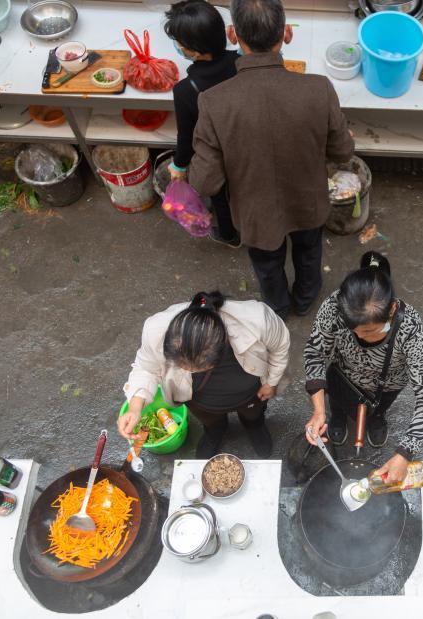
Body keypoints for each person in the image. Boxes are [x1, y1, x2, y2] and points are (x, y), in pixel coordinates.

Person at [189, 0, 355, 320]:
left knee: (267, 265)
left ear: (232, 35)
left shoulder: (213, 102)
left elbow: (206, 182)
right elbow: (343, 151)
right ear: (287, 33)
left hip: (256, 215)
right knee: (309, 253)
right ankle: (305, 299)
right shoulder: (319, 89)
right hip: (308, 204)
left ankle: (277, 308)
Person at [303, 252, 423, 483]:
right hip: (342, 375)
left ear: (392, 310)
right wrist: (319, 411)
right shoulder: (334, 308)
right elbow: (315, 353)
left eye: (369, 331)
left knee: (378, 408)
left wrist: (405, 453)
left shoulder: (410, 328)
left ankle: (377, 418)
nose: (360, 337)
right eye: (354, 330)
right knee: (337, 402)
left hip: (386, 385)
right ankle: (337, 416)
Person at [118, 291, 290, 459]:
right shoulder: (155, 329)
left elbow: (280, 347)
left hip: (251, 394)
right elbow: (146, 367)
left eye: (197, 367)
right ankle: (214, 431)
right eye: (181, 364)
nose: (188, 370)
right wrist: (135, 407)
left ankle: (254, 426)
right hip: (200, 402)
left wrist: (271, 382)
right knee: (210, 421)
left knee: (253, 414)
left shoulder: (258, 319)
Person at [163, 0, 241, 247]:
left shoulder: (186, 90)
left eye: (179, 42)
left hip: (218, 155)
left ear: (193, 51)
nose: (178, 46)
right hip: (247, 144)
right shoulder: (241, 61)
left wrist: (179, 165)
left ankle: (229, 235)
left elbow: (186, 138)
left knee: (220, 196)